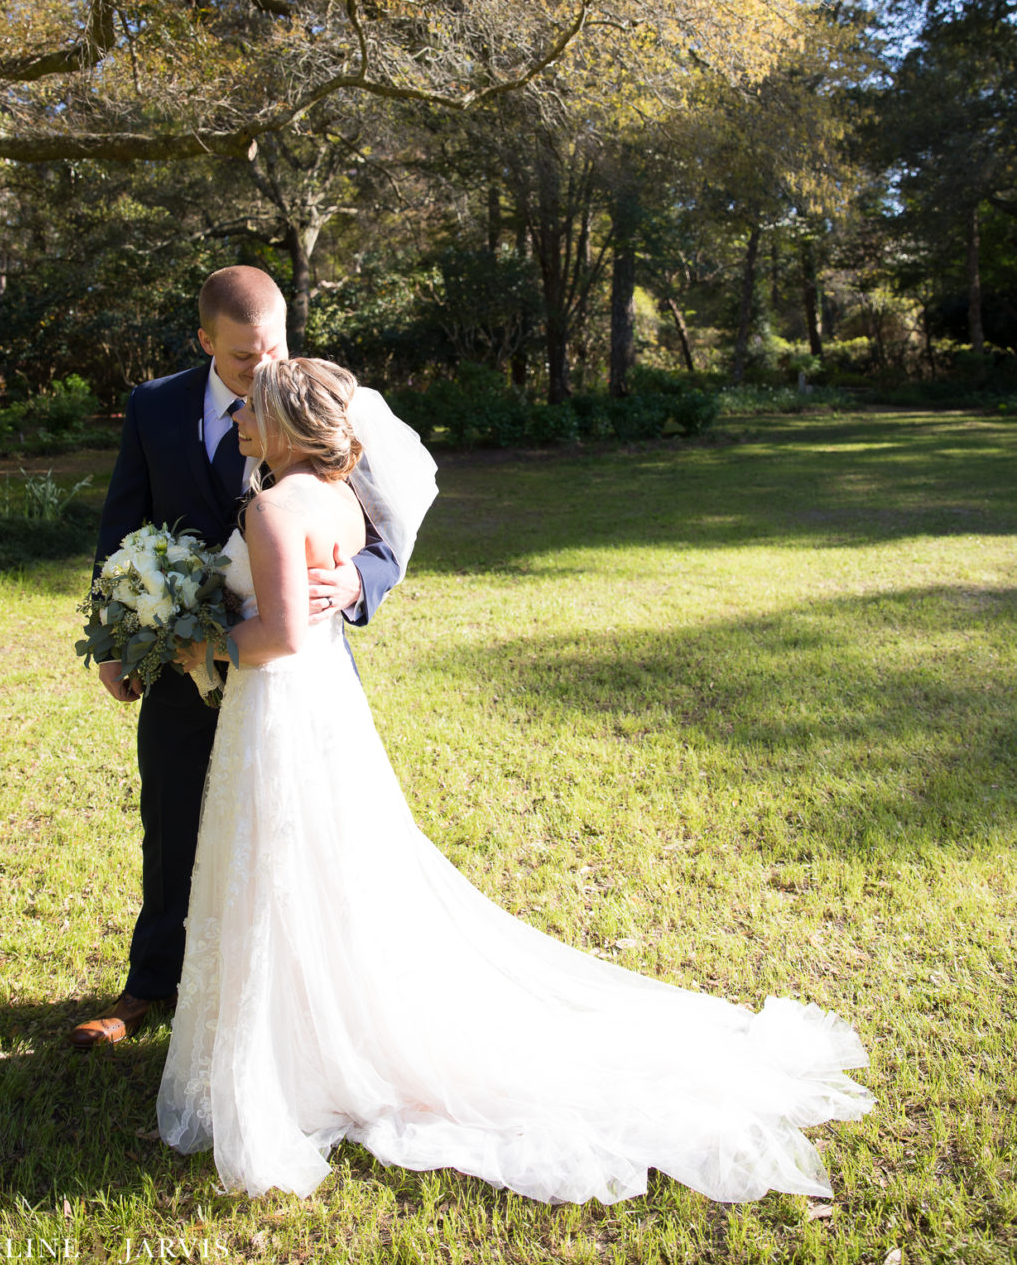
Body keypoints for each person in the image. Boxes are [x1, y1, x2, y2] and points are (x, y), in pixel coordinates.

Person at [157, 357, 873, 1206]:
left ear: (280, 423)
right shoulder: (341, 500)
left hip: (280, 704)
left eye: (251, 413)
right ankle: (314, 1032)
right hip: (318, 713)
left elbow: (278, 632)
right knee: (325, 865)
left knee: (284, 859)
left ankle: (301, 1051)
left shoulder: (274, 507)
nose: (237, 420)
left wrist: (201, 649)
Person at [70, 268, 402, 1049]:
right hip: (183, 663)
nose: (267, 369)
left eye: (277, 347)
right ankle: (149, 986)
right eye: (248, 358)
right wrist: (116, 640)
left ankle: (303, 997)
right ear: (205, 343)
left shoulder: (320, 399)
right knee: (174, 817)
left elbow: (379, 524)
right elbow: (122, 524)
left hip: (287, 671)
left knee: (295, 831)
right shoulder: (155, 408)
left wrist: (357, 576)